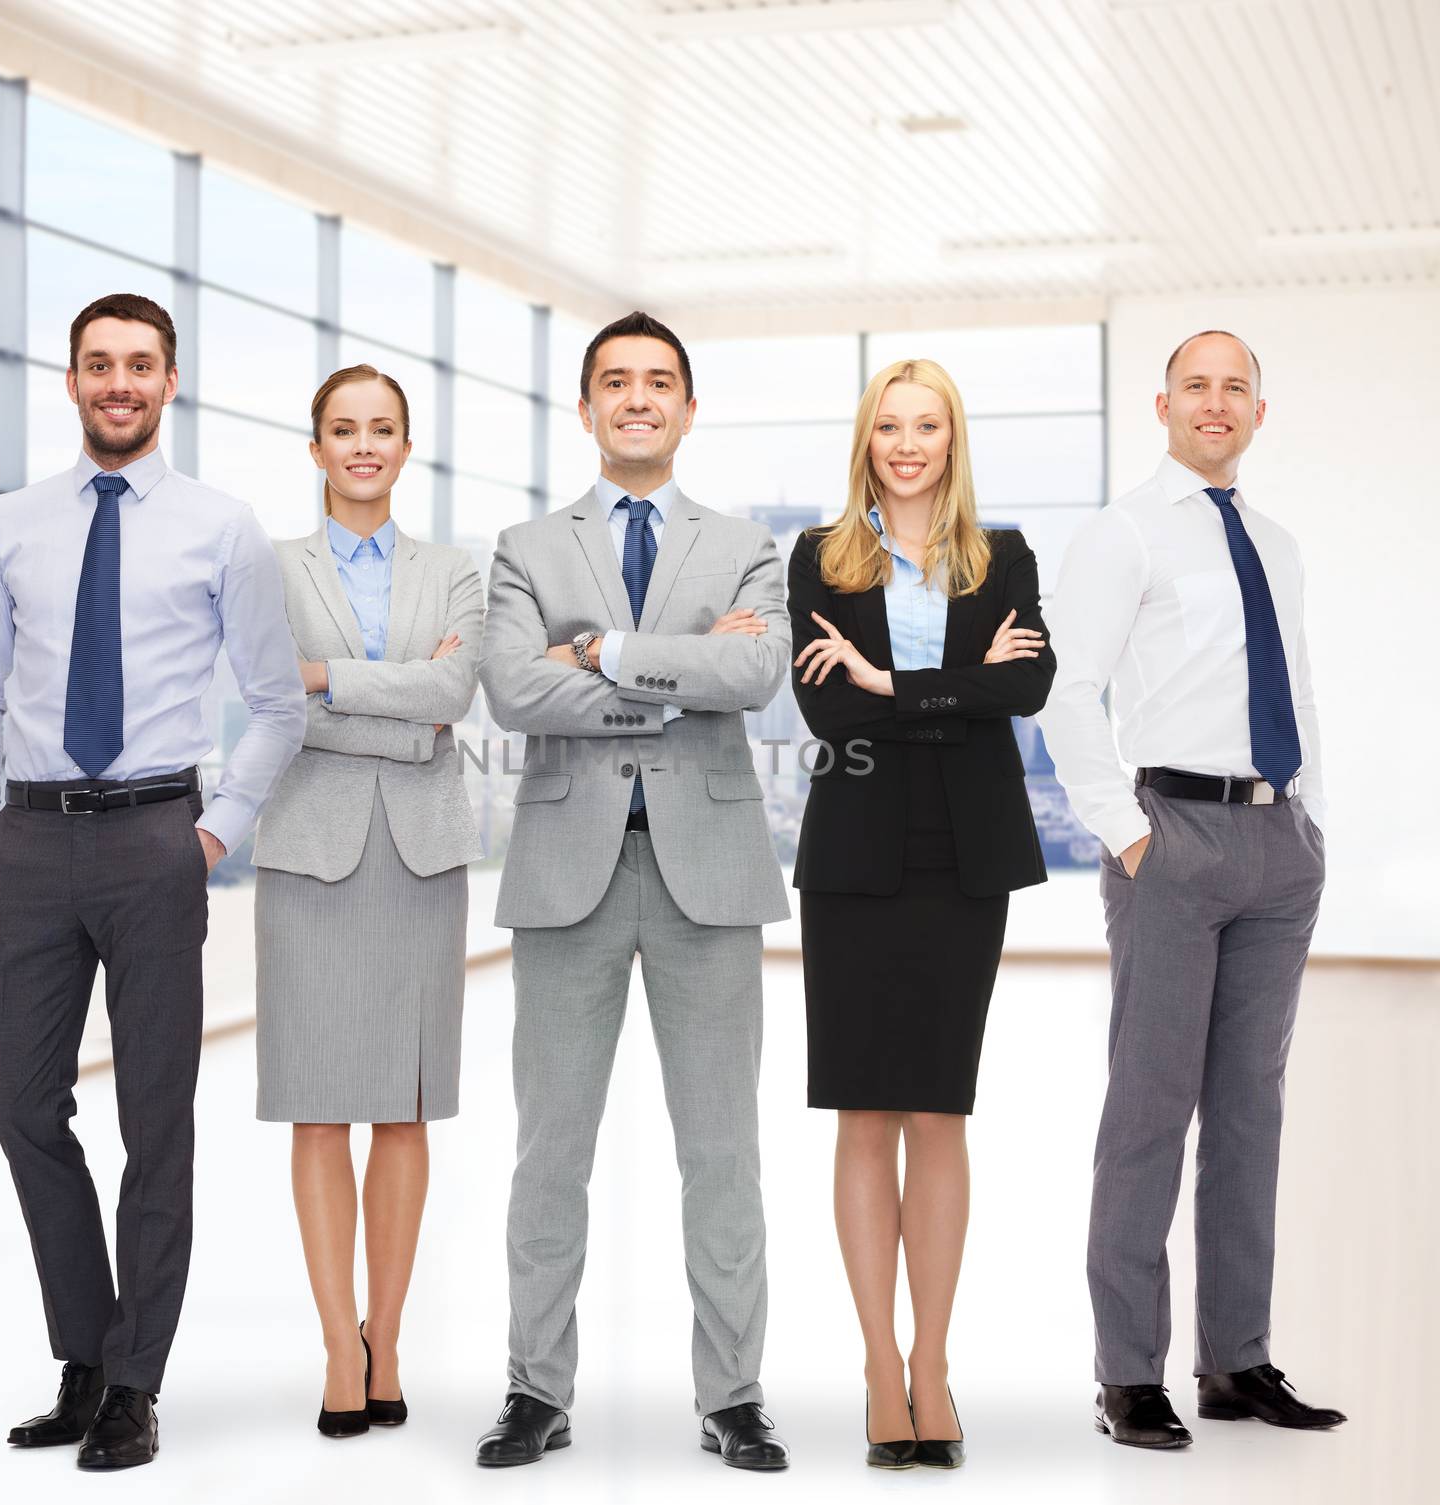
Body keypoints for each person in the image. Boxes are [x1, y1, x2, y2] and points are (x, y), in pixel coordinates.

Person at [0, 293, 305, 1470]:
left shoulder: (223, 527)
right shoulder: (10, 524)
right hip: (31, 844)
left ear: (170, 380)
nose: (119, 382)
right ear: (71, 379)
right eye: (99, 363)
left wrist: (213, 834)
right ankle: (83, 1352)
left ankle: (135, 1379)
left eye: (139, 364)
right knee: (23, 1104)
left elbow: (275, 700)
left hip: (157, 837)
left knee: (157, 1120)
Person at [473, 311, 792, 1471]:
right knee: (550, 1152)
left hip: (707, 875)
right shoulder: (524, 542)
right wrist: (675, 670)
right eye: (617, 382)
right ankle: (533, 1390)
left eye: (659, 382)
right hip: (570, 877)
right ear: (588, 405)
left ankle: (736, 1393)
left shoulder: (748, 542)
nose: (639, 398)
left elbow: (755, 672)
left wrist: (599, 652)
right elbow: (511, 690)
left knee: (722, 1153)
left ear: (687, 407)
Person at [1037, 330, 1344, 1448]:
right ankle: (1129, 1371)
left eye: (1236, 388)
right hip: (1169, 837)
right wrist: (1125, 835)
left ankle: (1236, 1359)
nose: (1215, 404)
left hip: (1276, 842)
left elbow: (1296, 684)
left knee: (1251, 1111)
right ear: (1163, 403)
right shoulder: (1123, 534)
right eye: (1197, 386)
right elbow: (1066, 690)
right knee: (1149, 1110)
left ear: (1260, 410)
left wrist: (1311, 819)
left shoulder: (1275, 541)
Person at [788, 359, 1055, 1471]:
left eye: (926, 424)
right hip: (852, 855)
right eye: (888, 425)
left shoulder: (1005, 557)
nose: (907, 443)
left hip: (964, 858)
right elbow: (817, 699)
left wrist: (891, 682)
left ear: (953, 439)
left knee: (938, 1111)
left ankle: (932, 1365)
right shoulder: (818, 557)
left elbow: (1026, 691)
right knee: (861, 1112)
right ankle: (875, 1365)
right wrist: (951, 683)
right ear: (866, 440)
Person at [251, 363, 483, 1438]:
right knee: (316, 1102)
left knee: (403, 1101)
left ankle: (385, 1339)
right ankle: (334, 1342)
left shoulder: (456, 573)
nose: (362, 446)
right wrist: (400, 703)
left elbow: (454, 695)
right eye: (342, 429)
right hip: (308, 855)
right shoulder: (269, 569)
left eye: (381, 429)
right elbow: (269, 700)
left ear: (404, 446)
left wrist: (327, 676)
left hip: (420, 856)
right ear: (315, 448)